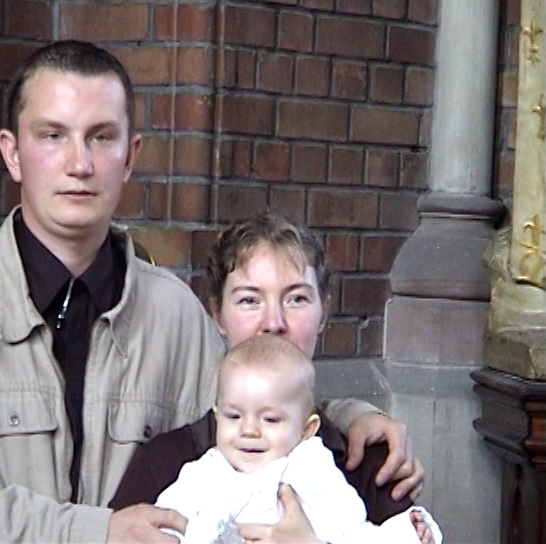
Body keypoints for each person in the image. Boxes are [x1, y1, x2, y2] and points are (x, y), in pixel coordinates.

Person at [0, 39, 419, 543]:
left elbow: (254, 411)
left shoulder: (175, 316)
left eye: (101, 137)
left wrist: (351, 417)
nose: (80, 164)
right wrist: (94, 532)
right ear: (12, 153)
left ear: (130, 155)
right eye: (53, 135)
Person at [110, 211, 426, 535]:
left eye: (297, 299)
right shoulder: (163, 463)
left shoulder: (367, 464)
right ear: (217, 314)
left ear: (324, 314)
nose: (274, 323)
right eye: (250, 300)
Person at [154, 334, 442, 544]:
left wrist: (402, 535)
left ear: (307, 429)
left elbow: (351, 532)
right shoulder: (203, 473)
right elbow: (164, 525)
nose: (249, 430)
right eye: (233, 416)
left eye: (270, 419)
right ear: (217, 417)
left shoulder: (310, 468)